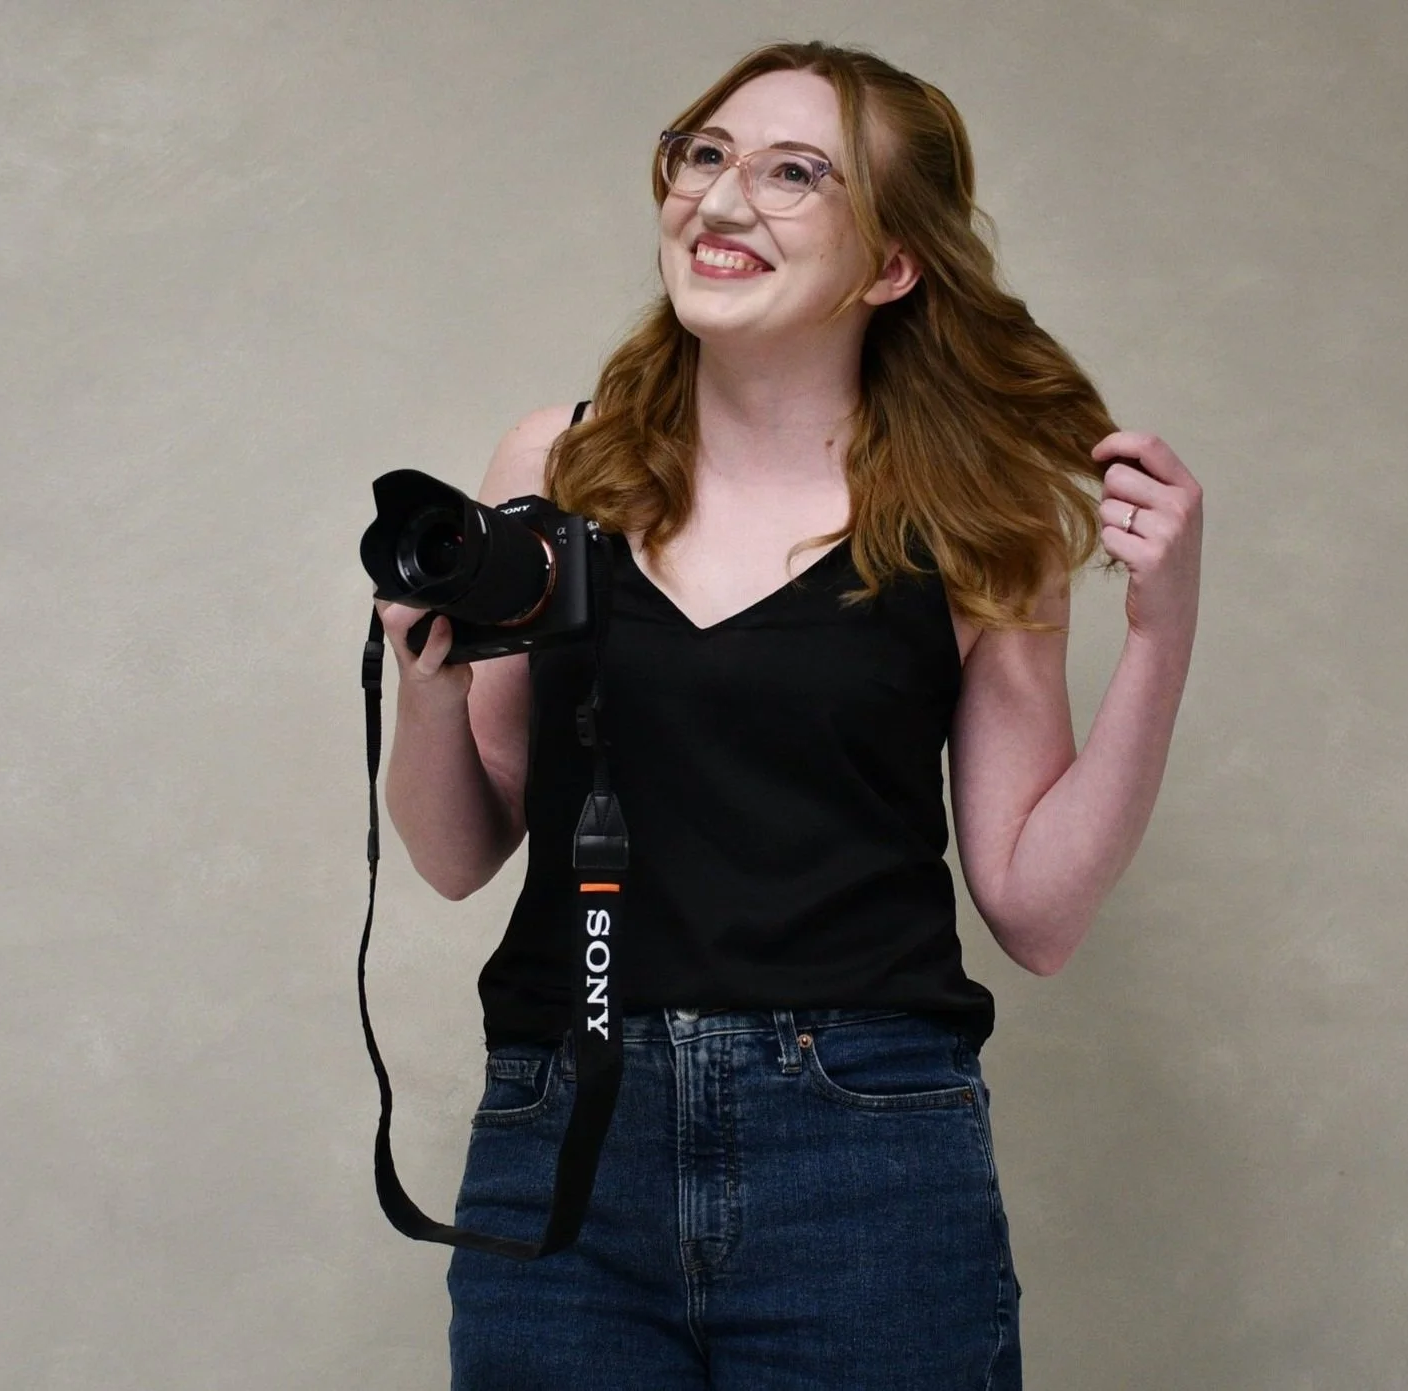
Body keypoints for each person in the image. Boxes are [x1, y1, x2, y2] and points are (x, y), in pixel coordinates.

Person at [375, 38, 1202, 1391]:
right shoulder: (556, 462)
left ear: (890, 264)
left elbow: (1037, 914)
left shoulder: (977, 515)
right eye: (703, 155)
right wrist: (428, 683)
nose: (721, 197)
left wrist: (1163, 633)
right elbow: (464, 845)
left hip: (861, 1139)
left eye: (793, 173)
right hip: (564, 1121)